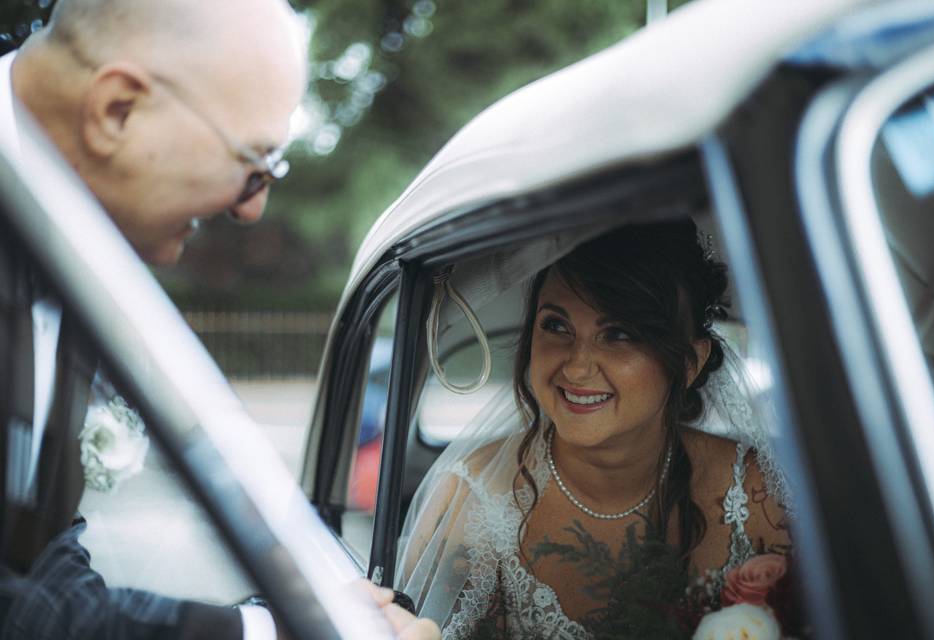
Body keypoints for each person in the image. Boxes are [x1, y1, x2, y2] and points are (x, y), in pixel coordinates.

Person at [0, 1, 439, 638]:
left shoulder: (68, 233)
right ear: (118, 108)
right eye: (251, 164)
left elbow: (37, 566)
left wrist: (278, 623)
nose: (252, 209)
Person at [396, 220, 795, 639]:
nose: (576, 365)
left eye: (618, 334)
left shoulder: (756, 494)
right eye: (555, 326)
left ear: (689, 363)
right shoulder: (469, 506)